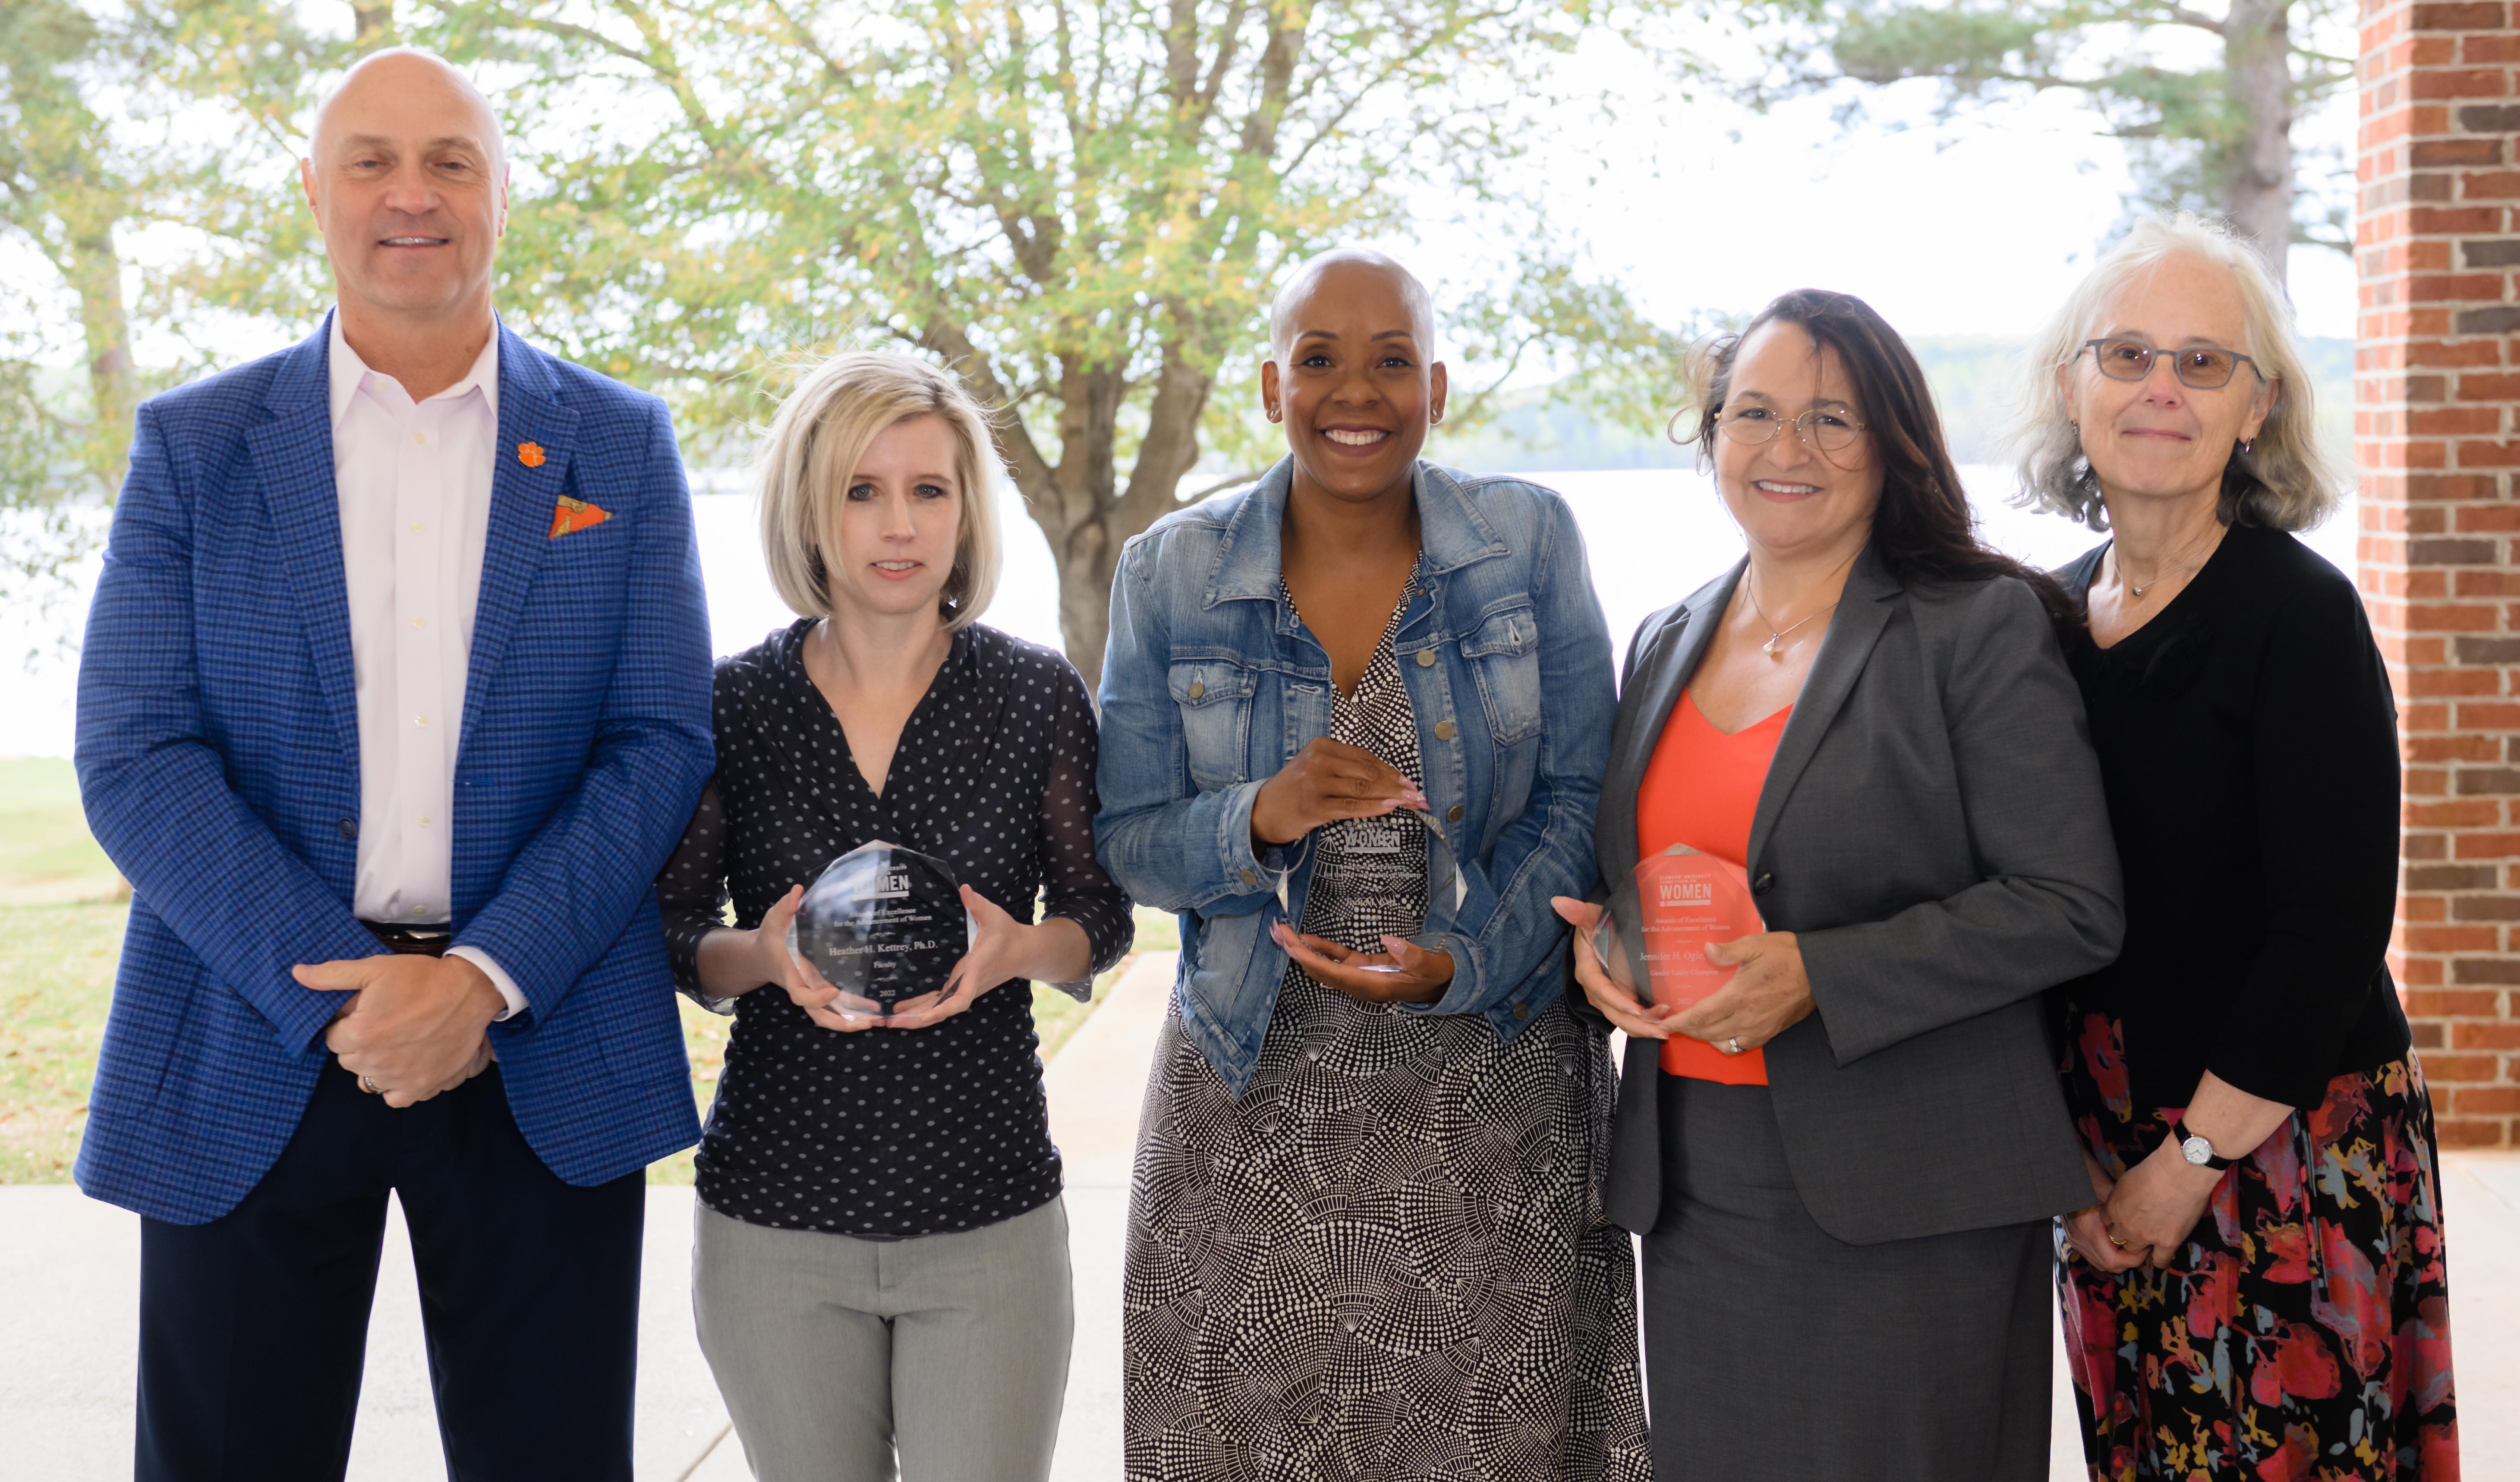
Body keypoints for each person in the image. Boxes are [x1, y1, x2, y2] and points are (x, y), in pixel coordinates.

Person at [72, 49, 715, 1481]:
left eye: (451, 160)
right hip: (253, 1030)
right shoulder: (196, 446)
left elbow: (657, 741)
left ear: (506, 193)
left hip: (538, 1041)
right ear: (313, 193)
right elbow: (133, 752)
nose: (409, 194)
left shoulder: (622, 441)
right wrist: (349, 993)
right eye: (369, 160)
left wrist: (481, 978)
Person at [1093, 247, 1647, 1480]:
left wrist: (1468, 960)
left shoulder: (1525, 543)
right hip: (1251, 1086)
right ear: (1268, 386)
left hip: (1491, 1086)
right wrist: (1260, 813)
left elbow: (1580, 794)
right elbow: (1126, 836)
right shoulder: (1171, 572)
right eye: (1320, 360)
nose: (1357, 391)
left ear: (1438, 388)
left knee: (1493, 1444)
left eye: (1392, 360)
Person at [1554, 288, 2125, 1481]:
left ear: (1896, 446)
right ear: (1711, 435)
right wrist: (1612, 941)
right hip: (1700, 1174)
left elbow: (2071, 901)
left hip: (1915, 1184)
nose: (1786, 450)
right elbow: (1676, 863)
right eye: (1754, 413)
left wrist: (1825, 973)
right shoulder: (1667, 635)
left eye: (1832, 420)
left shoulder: (1977, 626)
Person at [2017, 214, 2459, 1477]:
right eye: (2130, 353)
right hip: (2106, 1150)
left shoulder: (2301, 613)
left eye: (2205, 364)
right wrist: (2079, 1170)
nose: (2162, 386)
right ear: (2073, 384)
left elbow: (2328, 934)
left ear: (2257, 409)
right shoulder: (2040, 619)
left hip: (2281, 1149)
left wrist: (2189, 1161)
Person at [654, 350, 1132, 1482]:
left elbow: (1101, 918)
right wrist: (763, 958)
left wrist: (1020, 948)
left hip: (988, 1221)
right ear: (809, 514)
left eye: (931, 488)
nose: (900, 523)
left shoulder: (1034, 694)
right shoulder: (734, 702)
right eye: (862, 491)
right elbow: (673, 933)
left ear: (968, 510)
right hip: (775, 1227)